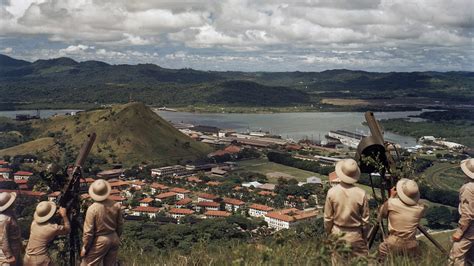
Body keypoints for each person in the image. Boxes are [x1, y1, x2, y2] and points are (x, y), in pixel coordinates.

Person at [324, 159, 370, 261]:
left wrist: (329, 233)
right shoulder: (361, 193)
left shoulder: (332, 192)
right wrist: (364, 237)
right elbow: (365, 221)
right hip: (355, 235)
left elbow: (328, 218)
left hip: (337, 234)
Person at [378, 178, 425, 261]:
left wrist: (391, 197)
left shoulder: (392, 203)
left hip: (393, 242)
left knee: (382, 250)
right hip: (411, 244)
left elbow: (382, 213)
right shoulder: (420, 209)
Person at [81, 179, 123, 266]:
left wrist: (85, 247)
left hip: (100, 240)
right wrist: (116, 237)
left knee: (88, 264)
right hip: (113, 237)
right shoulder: (116, 205)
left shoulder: (92, 209)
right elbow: (120, 225)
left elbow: (88, 232)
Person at [23, 201, 70, 266]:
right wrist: (64, 215)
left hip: (27, 257)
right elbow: (67, 230)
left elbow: (46, 221)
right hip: (40, 260)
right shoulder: (53, 228)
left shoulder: (34, 223)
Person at [450, 158, 474, 265]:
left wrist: (459, 232)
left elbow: (468, 214)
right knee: (470, 257)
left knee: (456, 255)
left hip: (470, 228)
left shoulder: (469, 188)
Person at [0, 192, 21, 266]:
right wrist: (9, 256)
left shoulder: (10, 214)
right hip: (6, 257)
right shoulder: (3, 219)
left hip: (15, 251)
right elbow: (2, 239)